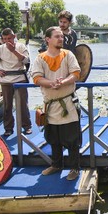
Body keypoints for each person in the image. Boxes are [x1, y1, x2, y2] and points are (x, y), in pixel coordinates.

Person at [31, 26, 82, 181]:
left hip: (68, 103)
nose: (61, 39)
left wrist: (63, 82)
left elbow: (76, 74)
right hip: (51, 104)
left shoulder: (68, 54)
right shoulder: (40, 58)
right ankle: (56, 165)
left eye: (61, 36)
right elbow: (36, 78)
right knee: (53, 138)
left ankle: (74, 168)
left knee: (72, 139)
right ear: (47, 39)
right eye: (57, 36)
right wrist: (51, 83)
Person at [0, 28, 32, 137]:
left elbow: (26, 61)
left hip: (20, 78)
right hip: (6, 80)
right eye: (4, 39)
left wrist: (14, 50)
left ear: (14, 37)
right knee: (7, 105)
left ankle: (27, 126)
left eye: (9, 38)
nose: (7, 41)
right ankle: (8, 128)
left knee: (23, 104)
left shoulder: (21, 46)